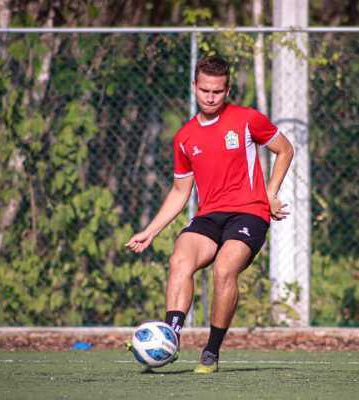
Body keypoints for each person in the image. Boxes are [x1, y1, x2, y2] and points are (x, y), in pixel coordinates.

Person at [126, 55, 294, 374]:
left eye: (217, 91)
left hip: (249, 213)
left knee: (223, 269)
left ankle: (211, 351)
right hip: (210, 216)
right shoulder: (185, 137)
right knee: (179, 260)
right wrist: (150, 231)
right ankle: (171, 338)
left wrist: (270, 194)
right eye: (204, 90)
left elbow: (285, 149)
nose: (210, 97)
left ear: (227, 89)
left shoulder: (247, 119)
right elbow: (179, 192)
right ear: (194, 87)